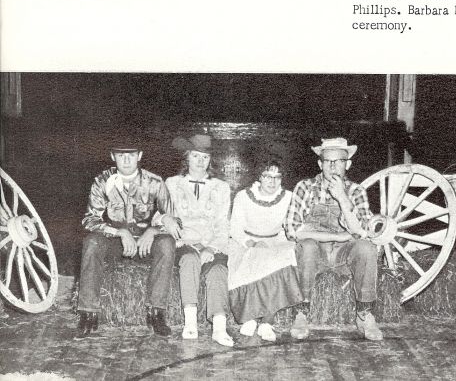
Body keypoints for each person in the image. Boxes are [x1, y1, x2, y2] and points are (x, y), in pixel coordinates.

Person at [75, 141, 180, 338]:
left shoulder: (155, 182)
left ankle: (156, 312)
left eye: (131, 155)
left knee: (167, 243)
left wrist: (153, 230)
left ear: (139, 155)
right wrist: (119, 233)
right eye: (120, 155)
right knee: (92, 242)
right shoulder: (102, 181)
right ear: (112, 156)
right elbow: (89, 220)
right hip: (116, 243)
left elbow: (174, 220)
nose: (126, 159)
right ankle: (88, 313)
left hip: (145, 244)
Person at [284, 138, 383, 342]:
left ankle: (364, 314)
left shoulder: (356, 191)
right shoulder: (305, 187)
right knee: (308, 246)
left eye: (338, 161)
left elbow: (363, 232)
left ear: (348, 164)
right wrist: (337, 236)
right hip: (315, 258)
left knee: (366, 247)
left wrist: (342, 199)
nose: (332, 166)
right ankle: (302, 313)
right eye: (327, 161)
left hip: (345, 257)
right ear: (320, 164)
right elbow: (293, 230)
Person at [165, 133, 233, 347]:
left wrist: (212, 247)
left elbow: (223, 223)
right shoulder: (172, 183)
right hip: (184, 242)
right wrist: (166, 218)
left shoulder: (221, 187)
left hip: (212, 242)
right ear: (187, 158)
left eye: (205, 157)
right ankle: (190, 322)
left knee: (219, 271)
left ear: (210, 160)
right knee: (189, 261)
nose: (200, 161)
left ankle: (219, 327)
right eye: (196, 156)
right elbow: (159, 213)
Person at [228, 158, 303, 342]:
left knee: (280, 258)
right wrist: (251, 243)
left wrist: (278, 243)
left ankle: (267, 321)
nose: (273, 181)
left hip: (275, 241)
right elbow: (235, 229)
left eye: (277, 177)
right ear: (259, 177)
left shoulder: (288, 197)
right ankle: (251, 317)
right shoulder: (243, 196)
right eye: (267, 176)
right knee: (253, 260)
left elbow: (295, 224)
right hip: (246, 242)